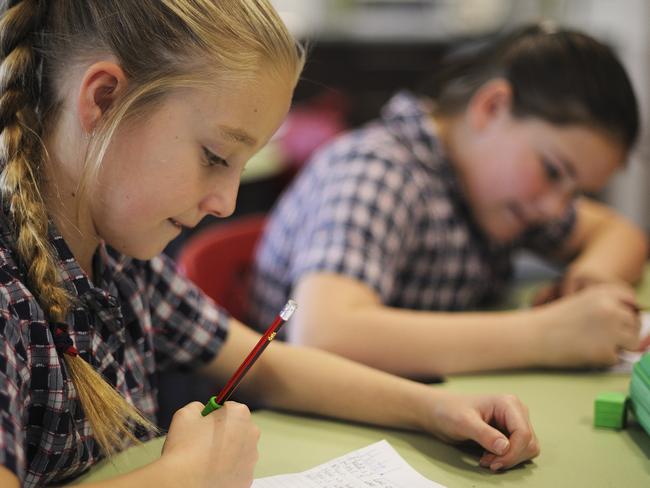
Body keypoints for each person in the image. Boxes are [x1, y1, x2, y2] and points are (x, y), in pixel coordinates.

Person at [0, 1, 540, 487]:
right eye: (214, 155)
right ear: (105, 99)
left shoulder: (119, 259)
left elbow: (272, 368)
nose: (227, 202)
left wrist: (434, 408)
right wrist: (187, 476)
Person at [250, 22, 648, 378]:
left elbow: (620, 233)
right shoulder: (378, 170)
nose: (555, 209)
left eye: (576, 192)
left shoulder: (494, 189)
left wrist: (589, 281)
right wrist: (549, 334)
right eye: (553, 171)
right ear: (492, 108)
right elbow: (322, 333)